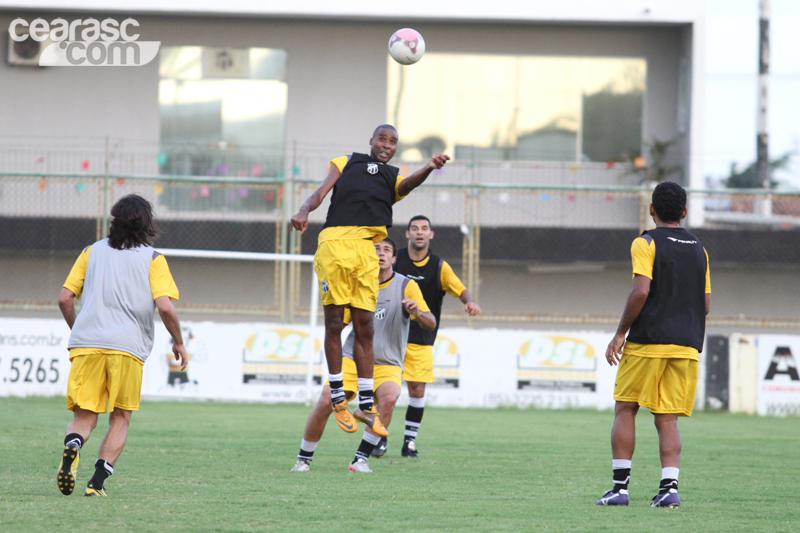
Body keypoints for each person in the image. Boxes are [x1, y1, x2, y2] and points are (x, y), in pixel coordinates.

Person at [290, 124, 449, 438]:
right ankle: (338, 396)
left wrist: (429, 167)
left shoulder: (393, 178)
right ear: (372, 141)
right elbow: (321, 191)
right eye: (382, 138)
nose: (387, 144)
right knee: (335, 322)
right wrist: (304, 209)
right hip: (335, 246)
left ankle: (364, 403)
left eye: (393, 141)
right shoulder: (347, 162)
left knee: (365, 324)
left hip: (365, 251)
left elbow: (408, 186)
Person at [56, 194, 187, 497]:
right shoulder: (153, 259)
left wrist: (80, 330)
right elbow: (165, 307)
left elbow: (64, 298)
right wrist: (178, 341)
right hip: (127, 348)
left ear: (114, 221)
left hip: (87, 346)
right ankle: (96, 482)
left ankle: (73, 444)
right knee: (120, 418)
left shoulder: (91, 252)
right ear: (147, 224)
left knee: (85, 416)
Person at [596, 182, 710, 508]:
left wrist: (620, 333)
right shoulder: (699, 250)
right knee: (667, 418)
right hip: (686, 345)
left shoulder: (645, 242)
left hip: (647, 342)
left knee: (626, 408)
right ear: (685, 212)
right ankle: (669, 489)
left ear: (651, 209)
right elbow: (705, 304)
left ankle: (620, 490)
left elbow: (640, 291)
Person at [290, 237, 435, 473]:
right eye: (376, 249)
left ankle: (360, 460)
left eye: (387, 250)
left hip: (387, 362)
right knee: (327, 400)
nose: (381, 253)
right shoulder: (356, 283)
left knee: (389, 398)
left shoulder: (406, 286)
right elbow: (339, 324)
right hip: (352, 358)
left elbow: (431, 323)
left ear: (394, 258)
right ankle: (303, 459)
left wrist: (417, 312)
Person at [377, 215, 481, 458]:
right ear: (408, 234)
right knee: (381, 391)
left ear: (431, 235)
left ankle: (409, 443)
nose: (419, 232)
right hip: (388, 336)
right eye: (414, 228)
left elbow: (461, 289)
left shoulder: (439, 266)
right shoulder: (394, 257)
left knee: (416, 390)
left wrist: (471, 302)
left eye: (424, 229)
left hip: (420, 338)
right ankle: (379, 437)